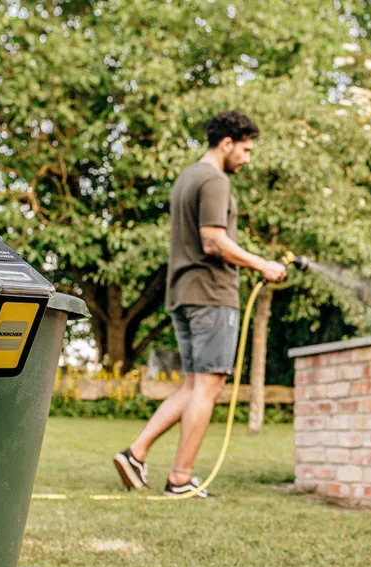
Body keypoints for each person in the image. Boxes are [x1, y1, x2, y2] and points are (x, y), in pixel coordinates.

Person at [114, 110, 286, 497]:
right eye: (245, 150)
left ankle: (136, 453)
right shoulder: (214, 180)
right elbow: (213, 240)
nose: (247, 158)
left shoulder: (187, 177)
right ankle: (180, 477)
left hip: (184, 293)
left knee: (194, 385)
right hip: (210, 294)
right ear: (226, 144)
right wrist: (263, 265)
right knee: (209, 386)